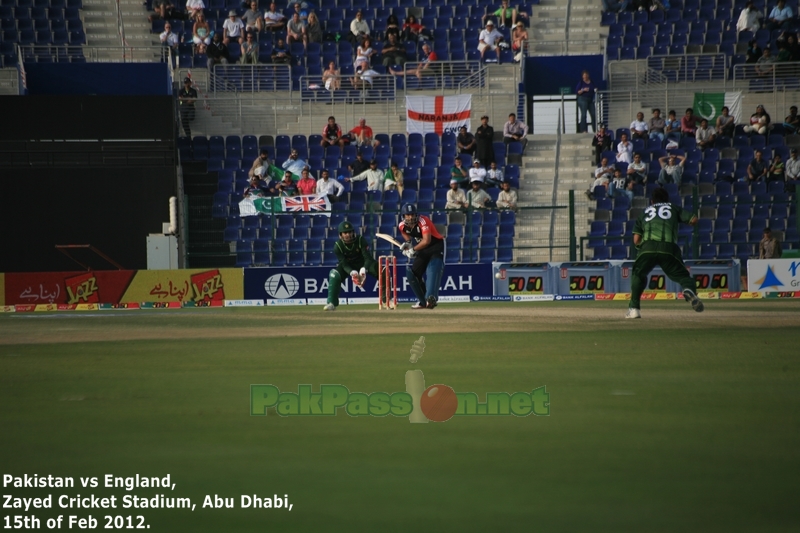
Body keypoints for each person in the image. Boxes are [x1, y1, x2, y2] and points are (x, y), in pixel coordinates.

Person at [625, 187, 704, 319]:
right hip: (668, 248)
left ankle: (634, 309)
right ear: (667, 199)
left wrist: (643, 246)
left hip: (647, 248)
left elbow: (636, 240)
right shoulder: (673, 208)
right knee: (683, 276)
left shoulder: (644, 212)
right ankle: (689, 290)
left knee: (638, 274)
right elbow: (693, 219)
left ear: (652, 201)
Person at [323, 221, 384, 311]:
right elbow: (343, 263)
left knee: (382, 270)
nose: (348, 234)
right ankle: (331, 303)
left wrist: (364, 269)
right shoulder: (338, 246)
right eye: (345, 233)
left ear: (353, 232)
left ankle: (386, 300)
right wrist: (351, 272)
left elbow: (368, 258)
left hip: (363, 263)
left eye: (350, 232)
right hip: (349, 265)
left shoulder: (360, 240)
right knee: (334, 275)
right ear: (341, 234)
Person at [398, 204, 445, 309]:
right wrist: (408, 243)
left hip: (435, 246)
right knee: (413, 274)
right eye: (408, 215)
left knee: (433, 269)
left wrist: (413, 249)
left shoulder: (423, 221)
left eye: (412, 214)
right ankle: (423, 301)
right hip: (423, 248)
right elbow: (404, 232)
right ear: (403, 216)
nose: (410, 217)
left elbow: (426, 241)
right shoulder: (402, 225)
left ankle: (431, 298)